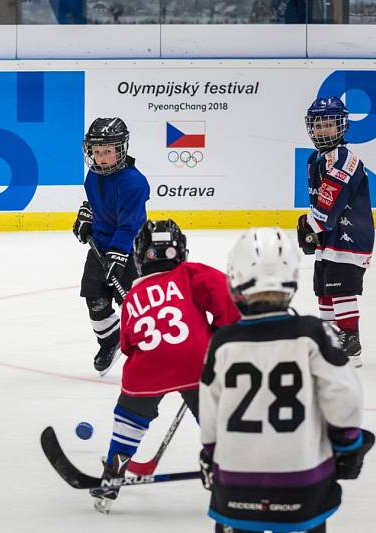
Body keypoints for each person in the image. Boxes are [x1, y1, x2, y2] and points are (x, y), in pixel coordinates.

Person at [199, 227, 375, 533]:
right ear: (292, 276)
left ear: (234, 278)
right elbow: (343, 395)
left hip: (236, 486)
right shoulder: (313, 334)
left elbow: (210, 412)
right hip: (302, 485)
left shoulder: (223, 342)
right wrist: (348, 446)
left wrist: (209, 454)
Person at [89, 219, 241, 514]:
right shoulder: (189, 273)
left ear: (139, 256)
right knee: (215, 416)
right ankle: (226, 470)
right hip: (196, 361)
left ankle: (113, 474)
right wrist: (220, 333)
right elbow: (227, 297)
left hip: (146, 370)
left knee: (130, 417)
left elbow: (128, 342)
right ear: (180, 251)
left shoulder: (133, 296)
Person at [297, 96, 373, 367]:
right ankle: (331, 339)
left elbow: (330, 203)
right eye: (318, 125)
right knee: (324, 290)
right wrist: (313, 229)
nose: (322, 130)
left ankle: (350, 343)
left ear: (342, 127)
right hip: (329, 239)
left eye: (329, 124)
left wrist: (312, 227)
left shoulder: (345, 159)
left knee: (341, 289)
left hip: (349, 239)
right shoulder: (314, 158)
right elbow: (317, 201)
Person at [72, 117, 149, 376]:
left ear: (120, 149)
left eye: (107, 152)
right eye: (96, 152)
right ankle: (109, 342)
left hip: (129, 251)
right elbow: (99, 207)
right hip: (101, 247)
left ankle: (148, 352)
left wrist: (118, 254)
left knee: (134, 306)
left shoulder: (134, 183)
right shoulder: (92, 176)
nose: (101, 157)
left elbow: (130, 224)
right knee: (94, 299)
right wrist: (87, 218)